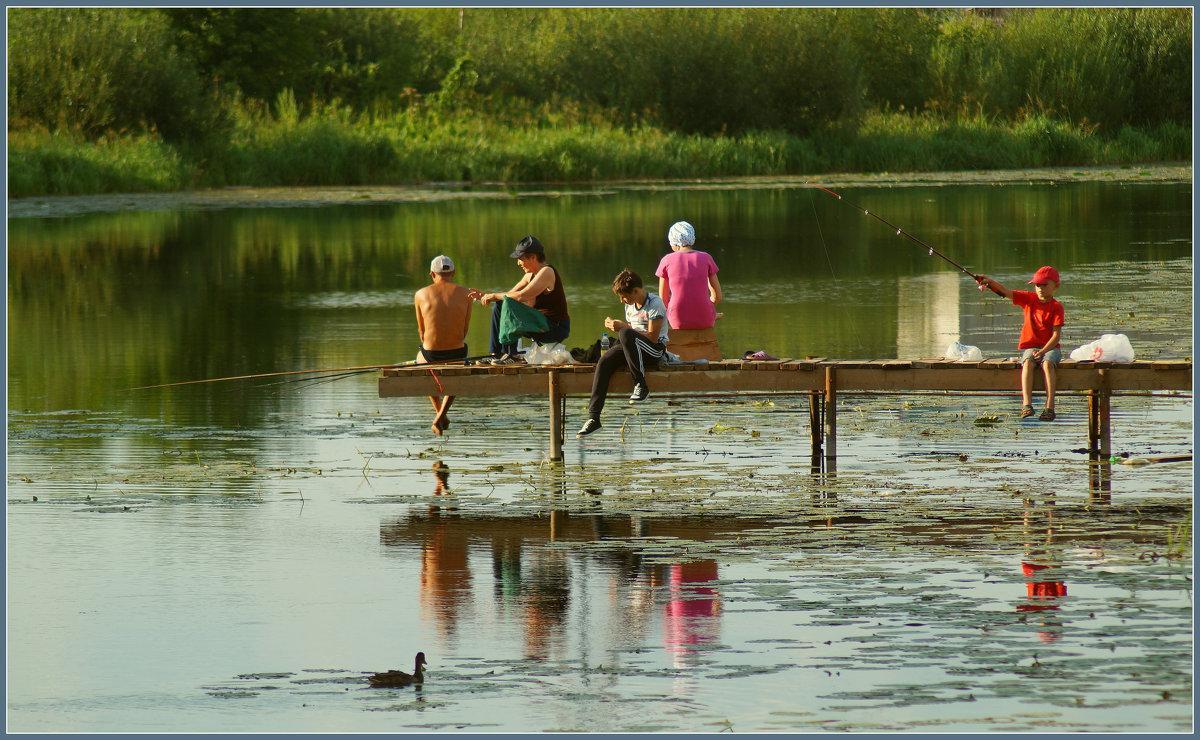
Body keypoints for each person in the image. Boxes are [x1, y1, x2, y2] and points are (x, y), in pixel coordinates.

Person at [576, 269, 669, 438]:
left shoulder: (655, 303)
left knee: (625, 333)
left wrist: (624, 328)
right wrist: (617, 328)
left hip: (654, 351)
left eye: (623, 296)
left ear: (635, 290)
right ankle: (594, 418)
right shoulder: (629, 305)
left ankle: (641, 386)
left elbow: (653, 338)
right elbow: (629, 337)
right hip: (635, 348)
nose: (622, 300)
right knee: (604, 361)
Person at [976, 266, 1065, 421]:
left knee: (1047, 364)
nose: (1041, 288)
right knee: (1028, 362)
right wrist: (989, 282)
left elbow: (1056, 337)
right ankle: (1027, 405)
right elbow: (1005, 292)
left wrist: (1043, 351)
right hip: (1032, 347)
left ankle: (1049, 407)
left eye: (1045, 285)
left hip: (1050, 348)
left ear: (1055, 286)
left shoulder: (1056, 307)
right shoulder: (1028, 299)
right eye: (1038, 285)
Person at [467, 235, 570, 364]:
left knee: (507, 303)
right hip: (540, 324)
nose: (518, 263)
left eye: (520, 259)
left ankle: (513, 356)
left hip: (556, 328)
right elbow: (509, 295)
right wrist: (485, 296)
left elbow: (522, 296)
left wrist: (494, 295)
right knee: (500, 305)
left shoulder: (547, 271)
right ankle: (497, 353)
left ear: (533, 257)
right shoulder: (529, 276)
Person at [414, 255, 473, 435]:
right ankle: (442, 415)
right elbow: (464, 330)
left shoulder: (420, 294)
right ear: (453, 273)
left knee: (420, 359)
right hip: (456, 353)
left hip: (430, 355)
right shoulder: (467, 293)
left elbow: (422, 332)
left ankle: (439, 412)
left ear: (432, 274)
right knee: (458, 367)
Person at [655, 221, 722, 330]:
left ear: (674, 242)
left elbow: (663, 301)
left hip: (678, 319)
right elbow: (717, 297)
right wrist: (705, 308)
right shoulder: (706, 258)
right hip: (705, 317)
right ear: (692, 239)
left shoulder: (666, 260)